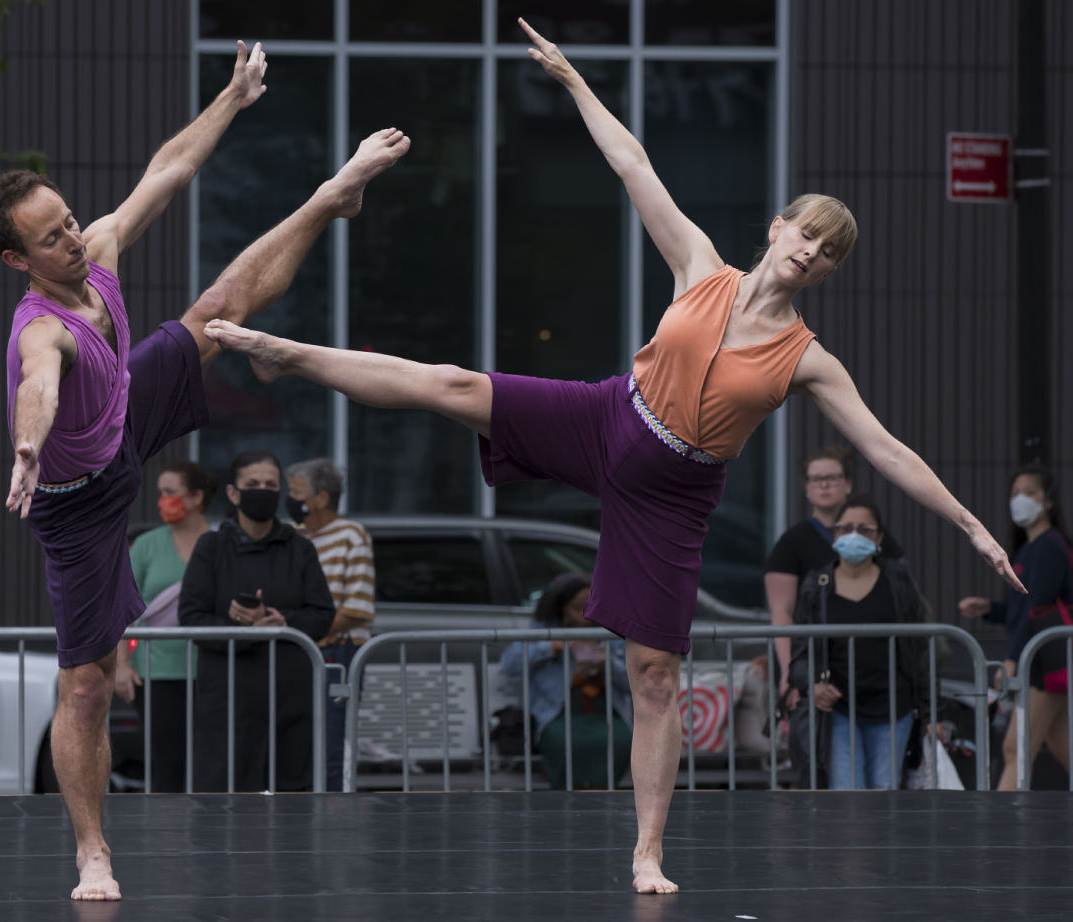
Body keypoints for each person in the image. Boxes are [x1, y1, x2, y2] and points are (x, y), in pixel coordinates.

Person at [200, 19, 1022, 894]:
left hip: (673, 491)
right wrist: (574, 81)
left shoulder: (808, 358)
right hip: (608, 418)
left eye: (827, 255)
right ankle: (283, 350)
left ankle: (647, 851)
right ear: (778, 229)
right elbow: (636, 168)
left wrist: (971, 524)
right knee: (449, 384)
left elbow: (885, 450)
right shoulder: (700, 265)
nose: (810, 254)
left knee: (654, 672)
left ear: (825, 272)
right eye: (806, 236)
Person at [0, 36, 410, 898]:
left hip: (125, 415)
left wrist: (233, 96)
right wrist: (29, 446)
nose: (72, 238)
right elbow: (39, 382)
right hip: (75, 499)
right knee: (86, 687)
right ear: (16, 260)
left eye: (68, 222)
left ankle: (330, 196)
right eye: (50, 238)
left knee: (215, 311)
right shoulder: (41, 326)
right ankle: (93, 851)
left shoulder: (95, 254)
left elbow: (168, 168)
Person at [179, 450, 335, 792]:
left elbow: (323, 615)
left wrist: (281, 622)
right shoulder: (211, 546)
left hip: (290, 701)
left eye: (270, 484)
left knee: (292, 808)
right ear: (234, 493)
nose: (262, 490)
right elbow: (191, 617)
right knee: (221, 805)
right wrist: (246, 633)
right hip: (227, 701)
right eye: (252, 484)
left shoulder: (301, 549)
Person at [787, 497, 930, 790]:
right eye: (845, 528)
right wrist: (811, 685)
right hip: (838, 707)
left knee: (885, 791)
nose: (853, 535)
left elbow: (920, 648)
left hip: (894, 705)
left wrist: (932, 710)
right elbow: (799, 654)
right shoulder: (817, 584)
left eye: (864, 529)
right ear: (834, 533)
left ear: (879, 537)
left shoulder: (898, 580)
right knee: (846, 795)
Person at [765, 445, 908, 708]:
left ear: (848, 484)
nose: (824, 485)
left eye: (832, 478)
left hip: (877, 671)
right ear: (806, 488)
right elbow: (781, 614)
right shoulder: (791, 543)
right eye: (816, 479)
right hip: (816, 667)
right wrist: (790, 673)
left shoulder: (879, 540)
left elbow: (905, 601)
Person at [960, 464, 1071, 790]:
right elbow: (1022, 607)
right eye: (1015, 493)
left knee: (1016, 747)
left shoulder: (1051, 545)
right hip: (1042, 660)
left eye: (1030, 492)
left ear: (1048, 501)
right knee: (1062, 747)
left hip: (1045, 661)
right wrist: (990, 609)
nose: (1020, 499)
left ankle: (998, 828)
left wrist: (1012, 659)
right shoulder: (1026, 547)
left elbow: (1036, 609)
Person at [112, 461, 218, 792]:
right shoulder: (147, 545)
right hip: (155, 673)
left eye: (171, 492)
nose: (162, 500)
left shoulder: (223, 542)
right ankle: (169, 841)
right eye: (160, 493)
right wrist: (121, 665)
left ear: (196, 496)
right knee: (167, 767)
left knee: (213, 766)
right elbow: (121, 606)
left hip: (215, 672)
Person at [284, 457, 376, 791]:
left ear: (321, 498)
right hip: (306, 654)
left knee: (331, 745)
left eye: (295, 493)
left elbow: (357, 609)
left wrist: (304, 631)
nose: (289, 501)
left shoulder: (351, 534)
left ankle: (334, 820)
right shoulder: (298, 537)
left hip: (338, 654)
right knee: (304, 743)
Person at [500, 573, 633, 789]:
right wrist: (553, 647)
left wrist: (607, 663)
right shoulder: (544, 631)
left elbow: (633, 685)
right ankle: (565, 790)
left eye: (592, 607)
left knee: (620, 738)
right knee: (563, 739)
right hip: (557, 714)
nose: (586, 616)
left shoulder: (611, 634)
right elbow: (509, 665)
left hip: (605, 713)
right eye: (578, 608)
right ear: (561, 608)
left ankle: (603, 790)